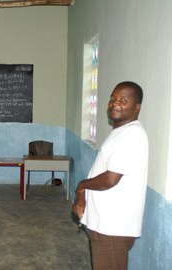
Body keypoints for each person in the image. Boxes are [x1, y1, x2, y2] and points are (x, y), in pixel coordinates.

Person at [72, 81, 148, 270]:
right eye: (113, 98)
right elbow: (100, 171)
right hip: (105, 221)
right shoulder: (119, 131)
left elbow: (110, 179)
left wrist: (82, 184)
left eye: (124, 100)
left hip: (113, 224)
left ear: (137, 107)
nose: (115, 103)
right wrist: (83, 195)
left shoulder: (132, 135)